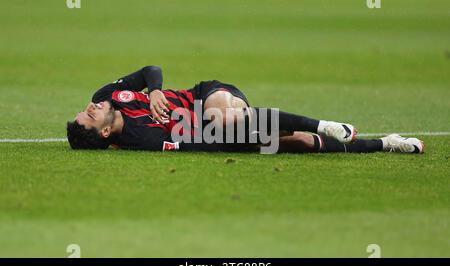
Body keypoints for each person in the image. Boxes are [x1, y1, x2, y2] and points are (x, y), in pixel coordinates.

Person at [67, 66, 424, 154]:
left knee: (220, 115)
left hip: (210, 96)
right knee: (297, 142)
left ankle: (326, 123)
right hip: (221, 134)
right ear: (103, 132)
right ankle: (389, 143)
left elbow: (149, 71)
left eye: (88, 107)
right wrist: (247, 140)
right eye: (90, 113)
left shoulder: (109, 95)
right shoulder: (142, 138)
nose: (93, 105)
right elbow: (195, 145)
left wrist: (156, 91)